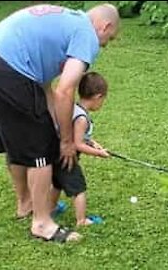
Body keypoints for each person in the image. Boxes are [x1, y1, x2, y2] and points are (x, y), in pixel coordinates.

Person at [0, 3, 120, 242]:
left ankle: (26, 204)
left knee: (19, 140)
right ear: (105, 26)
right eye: (109, 38)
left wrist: (55, 124)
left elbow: (45, 85)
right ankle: (42, 223)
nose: (105, 44)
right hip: (11, 68)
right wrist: (64, 140)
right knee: (40, 147)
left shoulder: (68, 21)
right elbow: (65, 90)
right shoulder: (86, 35)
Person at [50, 72, 110, 226]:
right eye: (103, 99)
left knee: (57, 183)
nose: (102, 103)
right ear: (97, 97)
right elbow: (78, 144)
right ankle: (81, 220)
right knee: (79, 189)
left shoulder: (73, 108)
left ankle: (50, 208)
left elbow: (79, 137)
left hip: (55, 153)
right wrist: (98, 153)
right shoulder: (82, 118)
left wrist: (92, 142)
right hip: (67, 157)